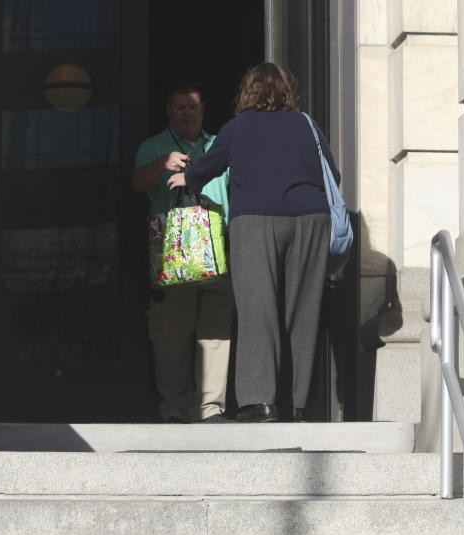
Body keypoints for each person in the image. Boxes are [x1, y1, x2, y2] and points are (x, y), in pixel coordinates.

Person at [168, 63, 340, 423]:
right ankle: (296, 405)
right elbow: (333, 173)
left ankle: (259, 403)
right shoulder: (306, 123)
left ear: (248, 92)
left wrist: (187, 176)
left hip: (257, 221)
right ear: (285, 91)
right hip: (311, 221)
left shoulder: (239, 126)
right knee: (303, 313)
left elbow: (209, 165)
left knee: (257, 310)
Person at [132, 83, 234, 423]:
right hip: (172, 257)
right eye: (180, 108)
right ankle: (175, 410)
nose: (187, 113)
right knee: (172, 337)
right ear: (169, 111)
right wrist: (163, 164)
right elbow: (137, 184)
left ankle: (210, 410)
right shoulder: (154, 147)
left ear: (203, 109)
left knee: (216, 334)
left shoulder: (220, 145)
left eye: (193, 107)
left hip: (218, 252)